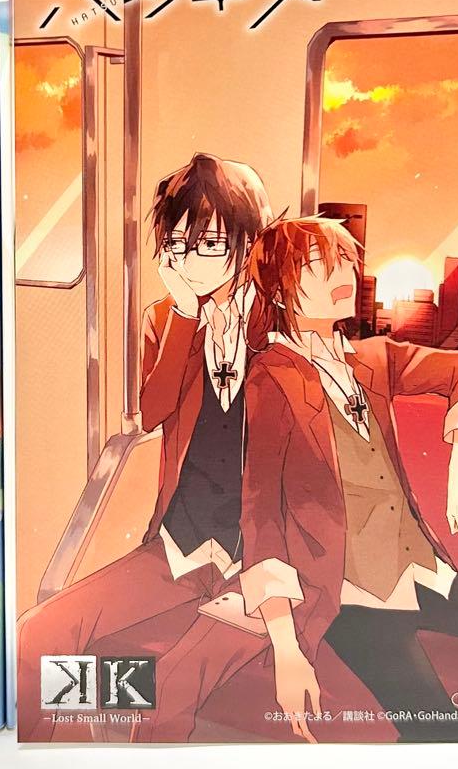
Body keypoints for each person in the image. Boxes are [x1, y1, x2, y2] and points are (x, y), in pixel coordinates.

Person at [143, 215, 458, 743]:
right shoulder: (271, 376)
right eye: (317, 265)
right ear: (280, 290)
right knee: (439, 731)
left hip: (422, 574)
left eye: (344, 263)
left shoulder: (374, 358)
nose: (341, 276)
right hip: (346, 596)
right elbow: (262, 511)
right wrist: (287, 647)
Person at [16, 152, 272, 741]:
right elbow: (151, 413)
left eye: (210, 244)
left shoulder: (279, 321)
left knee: (164, 696)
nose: (190, 261)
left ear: (248, 242)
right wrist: (183, 312)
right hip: (179, 547)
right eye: (177, 246)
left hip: (259, 561)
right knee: (38, 639)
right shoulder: (168, 319)